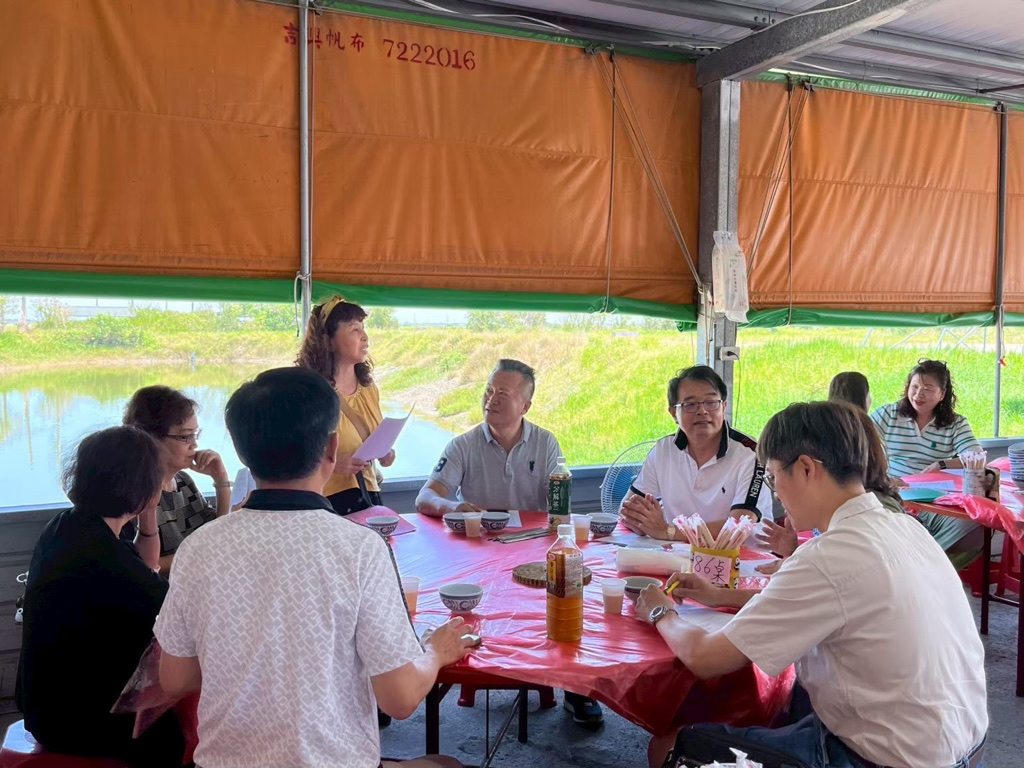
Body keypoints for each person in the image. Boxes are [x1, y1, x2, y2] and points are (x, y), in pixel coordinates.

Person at [637, 402, 987, 768]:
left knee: (668, 746)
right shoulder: (902, 526)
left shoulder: (827, 556)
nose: (776, 494)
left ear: (806, 468)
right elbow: (824, 598)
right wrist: (719, 596)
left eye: (774, 477)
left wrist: (660, 610)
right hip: (961, 743)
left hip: (887, 760)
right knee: (788, 708)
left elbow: (705, 658)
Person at [154, 367, 471, 768]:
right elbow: (401, 698)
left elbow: (175, 679)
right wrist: (434, 651)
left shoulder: (198, 549)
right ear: (331, 447)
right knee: (446, 764)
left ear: (242, 452)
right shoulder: (359, 549)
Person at [415, 359, 603, 730]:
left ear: (525, 405)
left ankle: (576, 688)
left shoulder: (545, 443)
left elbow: (559, 505)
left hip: (533, 548)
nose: (491, 399)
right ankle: (449, 668)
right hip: (477, 551)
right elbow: (426, 497)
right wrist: (453, 506)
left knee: (566, 596)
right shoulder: (463, 444)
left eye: (503, 393)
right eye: (489, 390)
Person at [16, 427, 184, 767]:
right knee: (173, 738)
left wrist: (148, 515)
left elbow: (143, 567)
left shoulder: (68, 525)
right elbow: (177, 607)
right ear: (141, 488)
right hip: (72, 721)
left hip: (42, 703)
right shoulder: (105, 558)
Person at [619, 365, 772, 541]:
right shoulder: (663, 450)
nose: (702, 411)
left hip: (740, 555)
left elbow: (739, 526)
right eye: (690, 405)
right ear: (673, 413)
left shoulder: (751, 454)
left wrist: (666, 531)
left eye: (711, 403)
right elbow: (627, 509)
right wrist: (645, 523)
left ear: (724, 407)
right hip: (677, 553)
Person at [870, 359, 982, 567]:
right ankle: (922, 565)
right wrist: (883, 479)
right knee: (886, 522)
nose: (918, 395)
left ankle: (921, 564)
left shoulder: (956, 424)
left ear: (942, 394)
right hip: (895, 494)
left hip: (936, 501)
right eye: (914, 387)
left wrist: (942, 464)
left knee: (974, 526)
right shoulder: (889, 414)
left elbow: (975, 457)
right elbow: (858, 444)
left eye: (928, 389)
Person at [296, 295, 395, 515]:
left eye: (363, 328)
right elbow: (289, 453)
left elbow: (372, 438)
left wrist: (384, 452)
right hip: (325, 503)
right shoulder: (308, 392)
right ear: (328, 341)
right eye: (354, 330)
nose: (365, 337)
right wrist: (332, 464)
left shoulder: (368, 389)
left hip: (367, 495)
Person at [124, 385, 232, 574]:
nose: (194, 444)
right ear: (151, 438)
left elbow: (216, 536)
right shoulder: (133, 492)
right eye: (185, 437)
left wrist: (221, 480)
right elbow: (142, 565)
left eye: (195, 435)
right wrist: (201, 555)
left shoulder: (183, 481)